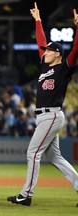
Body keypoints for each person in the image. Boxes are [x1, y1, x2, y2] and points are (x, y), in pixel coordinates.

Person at [7, 2, 78, 207]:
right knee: (55, 158)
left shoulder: (65, 67)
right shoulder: (45, 66)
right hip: (44, 116)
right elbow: (41, 41)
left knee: (33, 153)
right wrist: (38, 21)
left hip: (52, 114)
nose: (45, 52)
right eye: (45, 50)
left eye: (48, 51)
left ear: (57, 53)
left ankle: (26, 194)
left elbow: (75, 48)